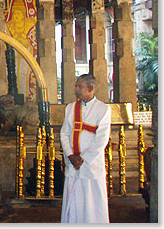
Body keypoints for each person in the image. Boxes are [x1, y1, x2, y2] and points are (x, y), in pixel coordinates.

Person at [60, 74, 111, 223]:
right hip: (73, 163)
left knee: (92, 203)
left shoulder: (103, 109)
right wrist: (70, 155)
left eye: (79, 86)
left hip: (91, 164)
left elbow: (102, 139)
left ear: (90, 88)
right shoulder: (70, 108)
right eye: (76, 86)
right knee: (73, 200)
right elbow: (64, 134)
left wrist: (82, 159)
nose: (76, 89)